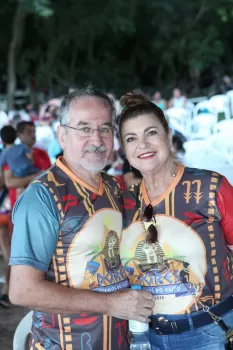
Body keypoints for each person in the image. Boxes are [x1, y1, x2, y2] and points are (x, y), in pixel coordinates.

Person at [9, 87, 154, 349]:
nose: (97, 139)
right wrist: (111, 304)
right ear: (62, 135)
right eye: (84, 128)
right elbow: (22, 290)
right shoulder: (42, 197)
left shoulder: (112, 186)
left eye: (105, 128)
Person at [118, 93, 233, 350]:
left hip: (212, 332)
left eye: (151, 133)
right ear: (124, 151)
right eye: (131, 139)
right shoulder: (123, 204)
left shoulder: (211, 187)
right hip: (148, 339)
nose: (142, 144)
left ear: (168, 135)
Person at [2, 121, 51, 209]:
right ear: (18, 135)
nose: (33, 135)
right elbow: (9, 182)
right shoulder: (12, 154)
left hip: (43, 204)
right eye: (29, 132)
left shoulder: (42, 153)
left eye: (34, 131)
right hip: (20, 206)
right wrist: (37, 176)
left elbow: (50, 176)